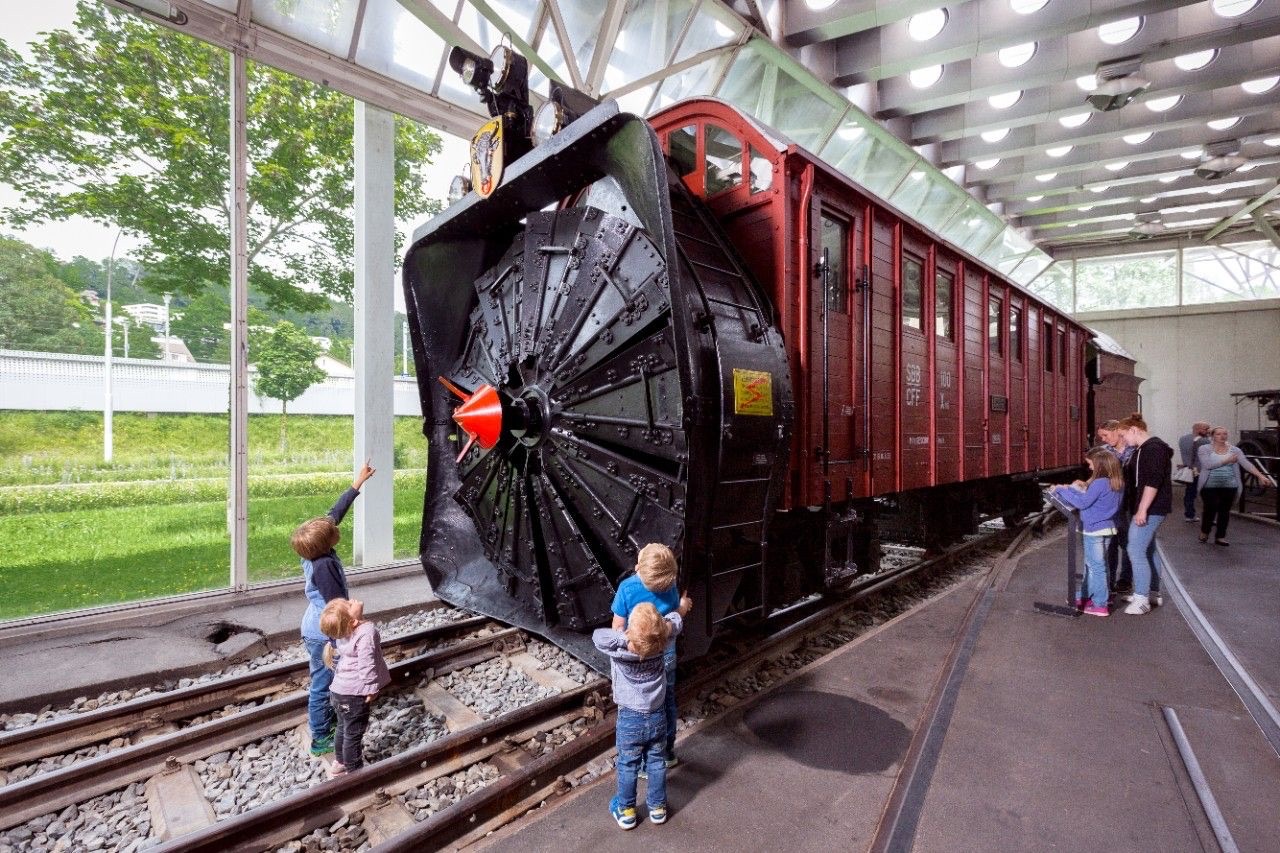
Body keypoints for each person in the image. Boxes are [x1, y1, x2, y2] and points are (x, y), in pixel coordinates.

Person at [291, 461, 376, 756]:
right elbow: (336, 607)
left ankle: (328, 721)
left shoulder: (312, 547)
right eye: (332, 531)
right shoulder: (324, 566)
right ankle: (320, 737)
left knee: (326, 678)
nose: (335, 528)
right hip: (325, 631)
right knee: (324, 682)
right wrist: (356, 620)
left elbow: (334, 513)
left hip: (315, 624)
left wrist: (358, 483)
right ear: (325, 543)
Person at [595, 600, 691, 830]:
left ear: (630, 632)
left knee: (628, 764)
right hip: (657, 717)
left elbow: (599, 636)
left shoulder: (618, 650)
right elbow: (675, 621)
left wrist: (626, 639)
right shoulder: (662, 643)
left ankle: (626, 811)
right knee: (656, 762)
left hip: (630, 719)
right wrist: (670, 620)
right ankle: (657, 808)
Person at [611, 543, 686, 768]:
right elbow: (674, 617)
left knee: (637, 706)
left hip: (638, 658)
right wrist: (683, 607)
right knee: (667, 703)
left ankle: (639, 758)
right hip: (666, 656)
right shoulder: (671, 587)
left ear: (638, 567)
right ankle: (666, 753)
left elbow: (617, 626)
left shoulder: (627, 588)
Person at [320, 597, 391, 777]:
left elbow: (348, 623)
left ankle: (340, 763)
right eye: (349, 604)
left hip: (338, 691)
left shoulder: (342, 633)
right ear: (352, 621)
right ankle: (355, 774)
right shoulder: (366, 632)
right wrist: (372, 688)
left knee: (342, 727)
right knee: (353, 734)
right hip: (354, 694)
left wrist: (354, 614)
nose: (353, 601)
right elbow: (367, 664)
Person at [1052, 447, 1124, 617]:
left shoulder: (1099, 483)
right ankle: (1091, 595)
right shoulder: (1117, 482)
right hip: (1108, 527)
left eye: (1091, 464)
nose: (1090, 467)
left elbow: (1083, 503)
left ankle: (1100, 604)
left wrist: (1061, 490)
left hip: (1094, 529)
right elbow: (1091, 498)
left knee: (1095, 567)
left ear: (1100, 465)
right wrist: (1070, 489)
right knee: (1099, 565)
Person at [1117, 413, 1173, 615]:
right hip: (1150, 507)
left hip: (1151, 508)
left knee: (1135, 549)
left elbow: (1152, 481)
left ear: (1134, 430)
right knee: (1148, 550)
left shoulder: (1153, 449)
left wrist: (1142, 509)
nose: (1123, 440)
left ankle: (1142, 600)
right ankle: (1152, 593)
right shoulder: (1145, 449)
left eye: (1123, 435)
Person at [1196, 426, 1276, 546]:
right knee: (1210, 508)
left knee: (1224, 511)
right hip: (1209, 485)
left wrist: (1261, 476)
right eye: (1218, 434)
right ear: (1212, 436)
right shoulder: (1204, 449)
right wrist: (1227, 461)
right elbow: (1207, 465)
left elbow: (1246, 464)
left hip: (1229, 484)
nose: (1222, 436)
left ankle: (1220, 536)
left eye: (1224, 434)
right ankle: (1205, 531)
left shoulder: (1235, 450)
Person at [1096, 420, 1133, 592]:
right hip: (1111, 505)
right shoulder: (1104, 452)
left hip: (1129, 504)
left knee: (1128, 544)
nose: (1103, 439)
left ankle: (1125, 579)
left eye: (1105, 435)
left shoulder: (1134, 450)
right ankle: (1109, 581)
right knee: (1110, 544)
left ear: (1117, 431)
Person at [1177, 422, 1211, 523]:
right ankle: (1208, 516)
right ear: (1198, 429)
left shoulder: (1183, 439)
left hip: (1189, 470)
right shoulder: (1205, 441)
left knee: (1189, 493)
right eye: (1206, 429)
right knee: (1208, 495)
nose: (1208, 431)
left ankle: (1189, 515)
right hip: (1202, 471)